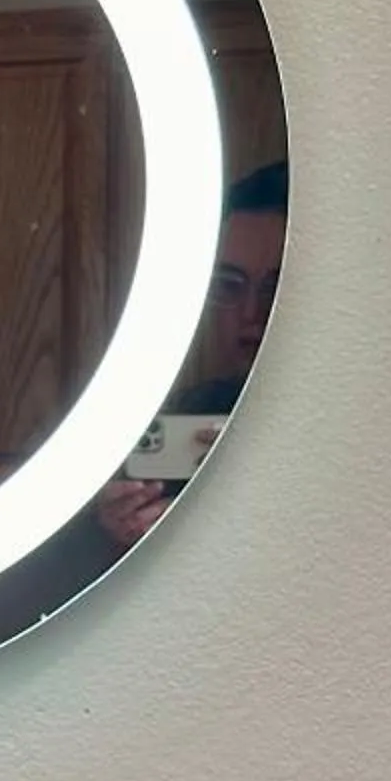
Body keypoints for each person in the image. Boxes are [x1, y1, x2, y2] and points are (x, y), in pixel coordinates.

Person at [97, 158, 286, 548]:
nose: (251, 312)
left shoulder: (359, 433)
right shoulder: (193, 411)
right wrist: (126, 542)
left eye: (275, 285)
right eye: (229, 284)